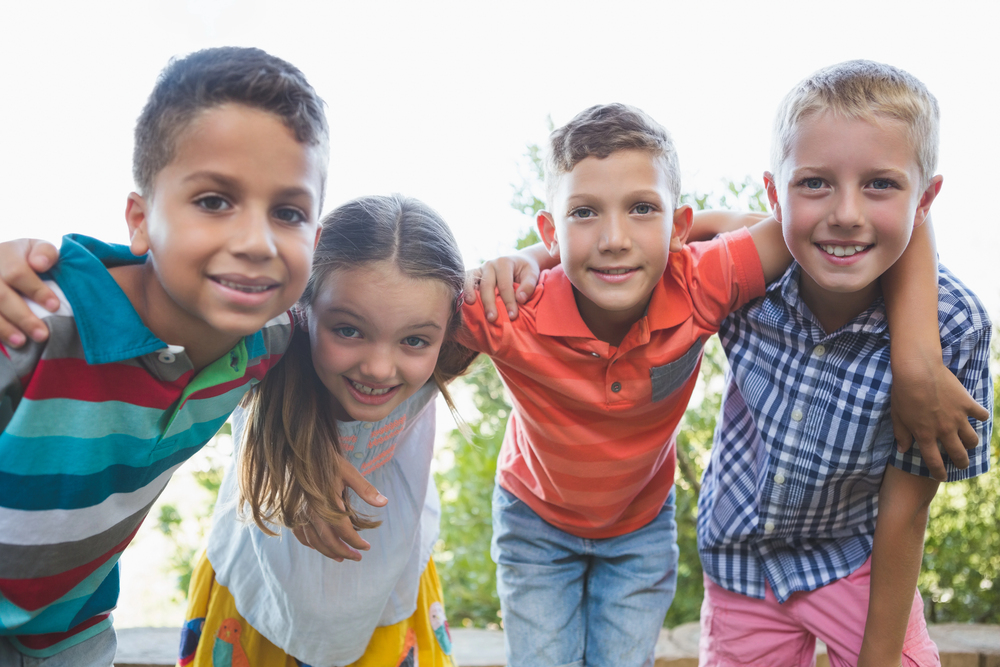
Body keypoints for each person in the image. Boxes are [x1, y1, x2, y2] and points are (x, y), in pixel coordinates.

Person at [458, 102, 985, 667]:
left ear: (678, 227)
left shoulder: (704, 281)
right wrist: (527, 258)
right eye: (585, 213)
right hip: (567, 525)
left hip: (680, 530)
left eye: (642, 208)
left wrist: (915, 355)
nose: (614, 237)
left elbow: (873, 221)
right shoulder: (511, 308)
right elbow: (405, 336)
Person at [0, 47, 330, 664]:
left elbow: (413, 310)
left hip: (69, 630)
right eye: (214, 201)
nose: (256, 243)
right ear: (141, 219)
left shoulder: (274, 338)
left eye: (288, 212)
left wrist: (533, 261)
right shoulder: (34, 320)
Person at [695, 60, 992, 666]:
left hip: (859, 563)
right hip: (741, 563)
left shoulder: (954, 328)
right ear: (774, 194)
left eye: (881, 184)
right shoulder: (742, 280)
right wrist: (537, 255)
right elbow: (651, 240)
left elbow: (908, 506)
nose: (847, 213)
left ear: (926, 198)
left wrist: (878, 659)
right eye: (815, 183)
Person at [176, 194, 478, 667]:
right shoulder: (260, 352)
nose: (379, 368)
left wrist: (518, 261)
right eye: (350, 331)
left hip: (388, 601)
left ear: (447, 332)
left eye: (414, 340)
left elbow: (560, 272)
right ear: (303, 309)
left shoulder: (449, 353)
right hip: (254, 605)